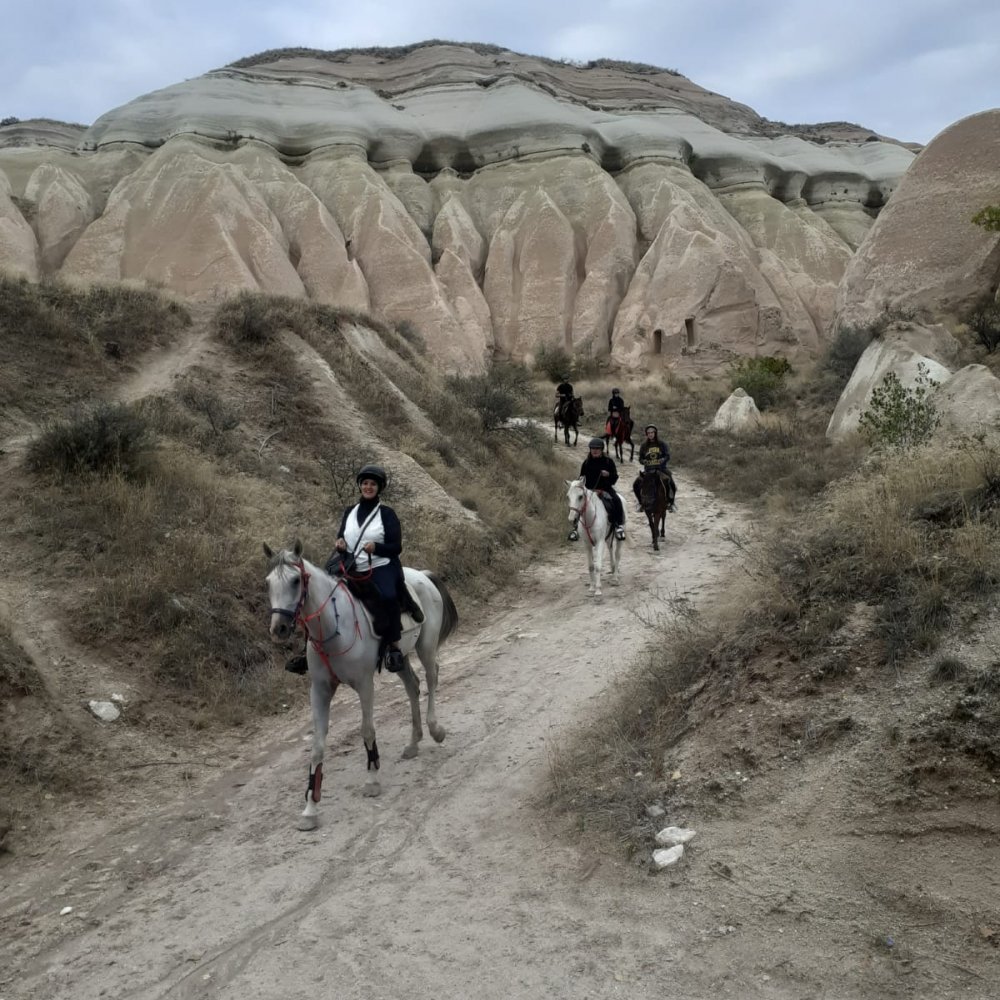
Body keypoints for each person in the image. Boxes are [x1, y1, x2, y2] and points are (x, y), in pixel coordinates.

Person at [331, 464, 408, 672]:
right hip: (352, 565)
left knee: (389, 596)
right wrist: (339, 543)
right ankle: (311, 647)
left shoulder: (387, 514)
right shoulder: (350, 512)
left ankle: (393, 647)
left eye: (372, 484)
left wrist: (377, 547)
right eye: (365, 483)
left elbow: (396, 546)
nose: (368, 487)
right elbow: (342, 535)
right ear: (359, 486)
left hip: (380, 565)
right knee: (321, 589)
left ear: (379, 488)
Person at [571, 438, 626, 541]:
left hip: (605, 489)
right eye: (593, 449)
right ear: (590, 450)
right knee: (576, 503)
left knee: (617, 500)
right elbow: (581, 477)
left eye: (597, 449)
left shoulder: (608, 462)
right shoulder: (586, 463)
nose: (595, 451)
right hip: (589, 490)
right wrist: (579, 483)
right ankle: (575, 529)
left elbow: (615, 477)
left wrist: (608, 474)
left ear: (601, 450)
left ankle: (618, 526)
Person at [633, 425, 676, 513]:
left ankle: (671, 503)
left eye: (652, 432)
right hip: (648, 470)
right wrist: (644, 461)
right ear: (646, 434)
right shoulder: (644, 445)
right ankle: (641, 503)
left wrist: (662, 460)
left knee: (671, 483)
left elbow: (667, 456)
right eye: (648, 433)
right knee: (636, 484)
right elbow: (640, 458)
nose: (650, 434)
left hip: (661, 469)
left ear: (655, 433)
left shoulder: (662, 444)